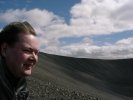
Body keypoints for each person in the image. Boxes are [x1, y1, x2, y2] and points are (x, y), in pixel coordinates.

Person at [0, 21, 39, 100]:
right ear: (4, 50)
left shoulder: (21, 86)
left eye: (36, 53)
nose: (34, 58)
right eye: (27, 50)